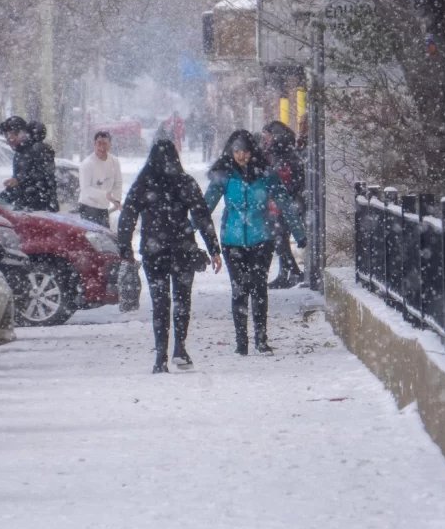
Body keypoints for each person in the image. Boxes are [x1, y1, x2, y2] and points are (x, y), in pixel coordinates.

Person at [118, 138, 222, 374]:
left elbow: (127, 216)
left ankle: (160, 357)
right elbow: (201, 216)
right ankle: (180, 348)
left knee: (160, 302)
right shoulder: (184, 182)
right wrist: (213, 249)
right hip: (182, 248)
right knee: (182, 300)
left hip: (154, 251)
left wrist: (125, 247)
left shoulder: (143, 183)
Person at [205, 130, 306, 356]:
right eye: (237, 151)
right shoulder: (224, 175)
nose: (241, 156)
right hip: (232, 240)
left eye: (246, 151)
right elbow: (205, 207)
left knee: (259, 288)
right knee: (239, 290)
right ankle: (242, 340)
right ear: (231, 152)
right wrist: (189, 229)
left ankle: (261, 338)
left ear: (253, 152)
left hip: (262, 238)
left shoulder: (266, 175)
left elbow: (285, 203)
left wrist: (298, 233)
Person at [262, 120, 305, 289]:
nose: (266, 139)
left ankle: (291, 272)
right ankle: (288, 272)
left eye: (269, 135)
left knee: (280, 238)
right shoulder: (275, 155)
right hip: (277, 205)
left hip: (287, 205)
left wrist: (286, 197)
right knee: (280, 239)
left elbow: (294, 182)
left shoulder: (288, 157)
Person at [0, 116, 59, 212]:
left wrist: (20, 181)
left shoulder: (40, 149)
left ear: (22, 133)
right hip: (25, 207)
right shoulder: (20, 153)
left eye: (12, 135)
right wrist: (0, 200)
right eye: (6, 136)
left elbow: (44, 178)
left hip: (40, 208)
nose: (9, 140)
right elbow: (18, 184)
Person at [78, 130, 123, 229]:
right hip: (88, 207)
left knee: (104, 239)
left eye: (105, 144)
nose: (102, 147)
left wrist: (117, 199)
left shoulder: (114, 161)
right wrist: (105, 195)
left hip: (103, 208)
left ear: (110, 145)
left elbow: (117, 183)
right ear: (94, 144)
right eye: (99, 143)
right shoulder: (87, 164)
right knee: (92, 238)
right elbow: (85, 189)